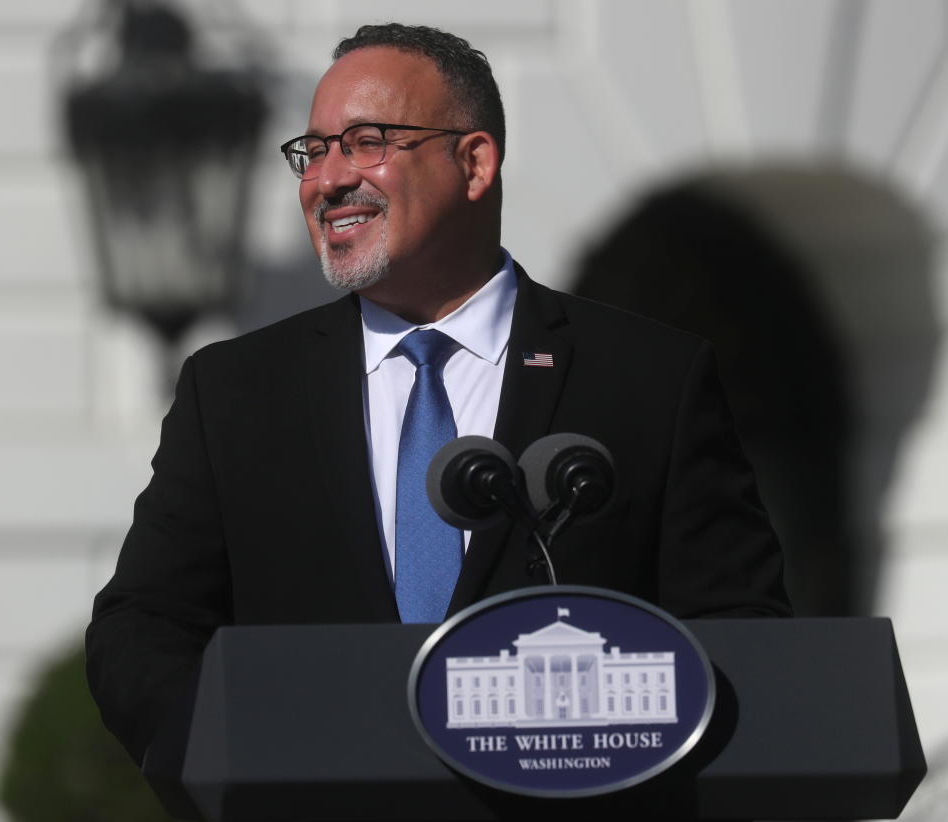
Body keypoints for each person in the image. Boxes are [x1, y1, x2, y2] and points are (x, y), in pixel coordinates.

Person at [86, 22, 790, 773]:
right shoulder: (234, 392)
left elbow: (740, 634)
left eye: (364, 141)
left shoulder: (648, 378)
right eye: (313, 150)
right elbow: (143, 626)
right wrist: (231, 760)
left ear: (474, 162)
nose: (327, 180)